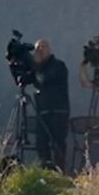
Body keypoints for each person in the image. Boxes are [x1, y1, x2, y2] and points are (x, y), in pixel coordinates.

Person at [31, 40, 71, 171]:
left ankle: (60, 172)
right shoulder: (37, 67)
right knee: (41, 143)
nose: (40, 51)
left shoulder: (58, 65)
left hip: (58, 111)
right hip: (43, 111)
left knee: (58, 143)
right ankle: (47, 172)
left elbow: (43, 79)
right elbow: (24, 79)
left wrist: (35, 65)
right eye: (38, 49)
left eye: (43, 47)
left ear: (50, 49)